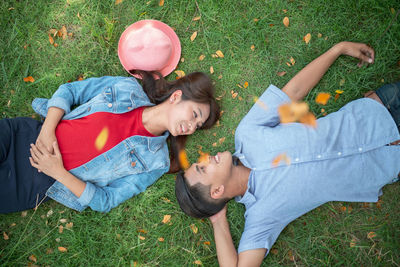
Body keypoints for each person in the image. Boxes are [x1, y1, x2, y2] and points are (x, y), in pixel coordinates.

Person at [175, 41, 400, 266]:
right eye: (202, 168)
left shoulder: (247, 134)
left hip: (381, 109)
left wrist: (338, 49)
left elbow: (293, 92)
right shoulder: (261, 216)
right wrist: (217, 220)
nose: (205, 157)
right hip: (389, 164)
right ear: (217, 191)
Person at [0, 20, 220, 214]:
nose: (191, 127)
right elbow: (70, 91)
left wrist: (57, 172)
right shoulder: (126, 88)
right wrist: (47, 132)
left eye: (197, 126)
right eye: (194, 115)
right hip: (25, 135)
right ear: (177, 97)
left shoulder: (157, 162)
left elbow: (106, 200)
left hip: (34, 181)